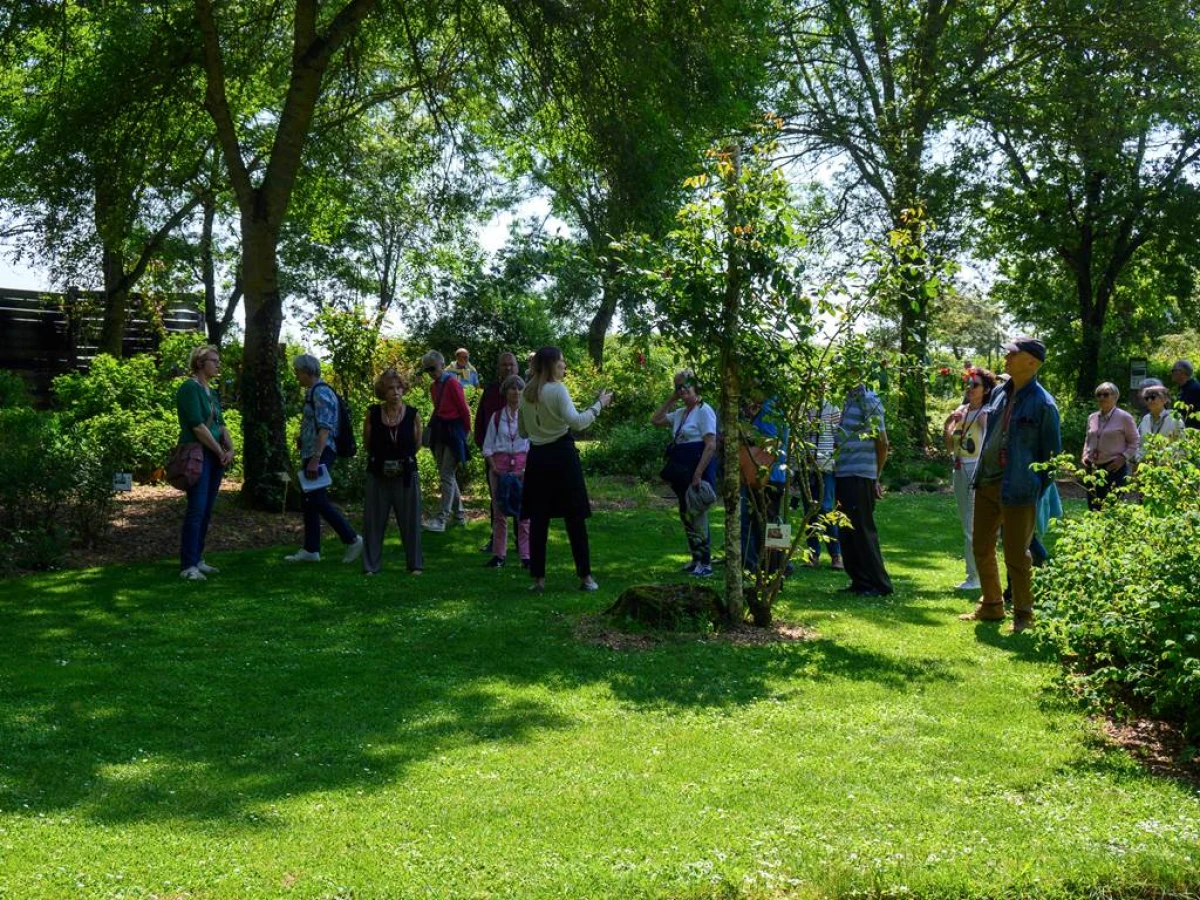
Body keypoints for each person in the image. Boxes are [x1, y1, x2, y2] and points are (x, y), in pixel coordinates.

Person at [961, 336, 1061, 633]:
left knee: (1017, 554)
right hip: (988, 481)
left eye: (1012, 354)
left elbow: (1051, 459)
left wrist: (1033, 487)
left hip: (1019, 489)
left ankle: (1024, 616)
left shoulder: (1044, 403)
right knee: (981, 545)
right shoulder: (1000, 393)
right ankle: (991, 606)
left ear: (1032, 362)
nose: (1006, 358)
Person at [518, 346, 612, 592]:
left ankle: (538, 580)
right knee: (574, 518)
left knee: (539, 520)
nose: (564, 365)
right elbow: (578, 422)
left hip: (537, 458)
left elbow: (522, 432)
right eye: (561, 362)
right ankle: (585, 578)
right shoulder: (557, 389)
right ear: (550, 365)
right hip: (561, 456)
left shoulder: (525, 393)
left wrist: (541, 429)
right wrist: (599, 404)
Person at [286, 353, 363, 563]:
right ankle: (311, 549)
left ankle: (352, 539)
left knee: (317, 498)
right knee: (309, 500)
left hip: (320, 452)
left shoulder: (321, 393)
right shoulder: (313, 392)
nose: (296, 376)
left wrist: (315, 458)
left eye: (298, 372)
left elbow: (326, 428)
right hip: (312, 451)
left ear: (307, 371)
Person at [176, 345, 235, 581]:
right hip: (199, 455)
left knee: (207, 510)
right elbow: (198, 426)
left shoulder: (213, 392)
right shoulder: (189, 388)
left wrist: (230, 448)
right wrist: (219, 450)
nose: (218, 364)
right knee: (197, 509)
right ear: (200, 363)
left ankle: (198, 558)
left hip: (214, 456)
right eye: (214, 360)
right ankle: (188, 565)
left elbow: (220, 424)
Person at [651, 370, 718, 577]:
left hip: (696, 468)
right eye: (678, 388)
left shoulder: (704, 410)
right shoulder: (681, 413)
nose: (682, 391)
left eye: (685, 387)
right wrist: (671, 399)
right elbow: (656, 420)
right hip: (681, 471)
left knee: (698, 514)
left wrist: (698, 473)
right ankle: (695, 558)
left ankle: (705, 563)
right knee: (686, 514)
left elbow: (710, 445)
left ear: (695, 386)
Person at [834, 375, 893, 596]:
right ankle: (859, 581)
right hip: (844, 473)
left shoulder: (868, 398)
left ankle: (879, 584)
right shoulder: (847, 398)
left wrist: (874, 477)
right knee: (846, 531)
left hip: (860, 475)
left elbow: (882, 442)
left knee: (862, 531)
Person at [361, 368, 423, 575]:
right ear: (382, 391)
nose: (395, 392)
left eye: (398, 388)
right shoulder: (372, 413)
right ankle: (371, 566)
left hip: (406, 474)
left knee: (411, 521)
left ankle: (414, 565)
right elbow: (367, 444)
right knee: (373, 521)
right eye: (390, 388)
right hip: (378, 473)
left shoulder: (413, 414)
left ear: (404, 389)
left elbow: (417, 444)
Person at [942, 366, 998, 591]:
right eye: (968, 384)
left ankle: (975, 578)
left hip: (977, 471)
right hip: (959, 469)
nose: (969, 389)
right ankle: (972, 575)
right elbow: (950, 445)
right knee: (966, 524)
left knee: (973, 526)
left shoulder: (987, 412)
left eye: (974, 385)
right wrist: (948, 423)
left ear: (985, 390)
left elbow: (990, 443)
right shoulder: (961, 410)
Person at [420, 350, 472, 532]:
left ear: (442, 365)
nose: (431, 373)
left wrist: (467, 432)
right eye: (427, 370)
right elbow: (438, 409)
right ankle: (459, 516)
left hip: (454, 431)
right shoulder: (434, 387)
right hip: (441, 431)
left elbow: (464, 409)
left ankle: (441, 519)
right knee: (447, 475)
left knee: (446, 475)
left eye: (433, 368)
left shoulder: (452, 384)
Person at [482, 374, 531, 568]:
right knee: (499, 513)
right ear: (505, 392)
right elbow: (487, 446)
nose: (516, 392)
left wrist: (526, 468)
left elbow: (533, 444)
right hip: (499, 468)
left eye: (520, 389)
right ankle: (499, 556)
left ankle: (526, 556)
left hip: (522, 468)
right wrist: (493, 467)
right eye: (512, 388)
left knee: (524, 514)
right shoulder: (496, 417)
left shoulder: (527, 417)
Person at [474, 352, 520, 552]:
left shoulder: (524, 390)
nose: (508, 368)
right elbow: (480, 422)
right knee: (497, 500)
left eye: (511, 365)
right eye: (504, 365)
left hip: (520, 458)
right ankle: (497, 542)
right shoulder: (491, 391)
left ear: (517, 367)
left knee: (521, 498)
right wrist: (486, 451)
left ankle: (522, 542)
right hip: (495, 457)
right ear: (498, 368)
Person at [740, 395, 791, 575]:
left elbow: (772, 445)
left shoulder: (770, 408)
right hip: (770, 474)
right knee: (771, 522)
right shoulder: (772, 405)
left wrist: (746, 434)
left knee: (771, 524)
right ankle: (777, 566)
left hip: (768, 475)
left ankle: (775, 568)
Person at [1080, 381, 1138, 511]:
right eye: (1098, 395)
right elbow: (1088, 439)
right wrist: (1084, 455)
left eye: (1105, 394)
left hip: (1113, 468)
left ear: (1115, 397)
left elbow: (1134, 441)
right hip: (1093, 468)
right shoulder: (1092, 417)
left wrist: (1123, 458)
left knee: (1111, 508)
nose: (1101, 398)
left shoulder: (1125, 417)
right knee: (1093, 507)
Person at [1135, 384, 1183, 461]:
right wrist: (1138, 459)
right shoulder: (1145, 419)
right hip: (1146, 466)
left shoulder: (1175, 419)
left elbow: (1182, 445)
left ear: (1164, 400)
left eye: (1153, 397)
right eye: (1146, 398)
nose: (1149, 401)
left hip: (1168, 466)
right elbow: (1138, 442)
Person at [1170, 360, 1200, 428]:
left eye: (1173, 370)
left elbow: (1186, 414)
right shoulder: (1185, 387)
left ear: (1181, 372)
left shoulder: (1194, 389)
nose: (1171, 373)